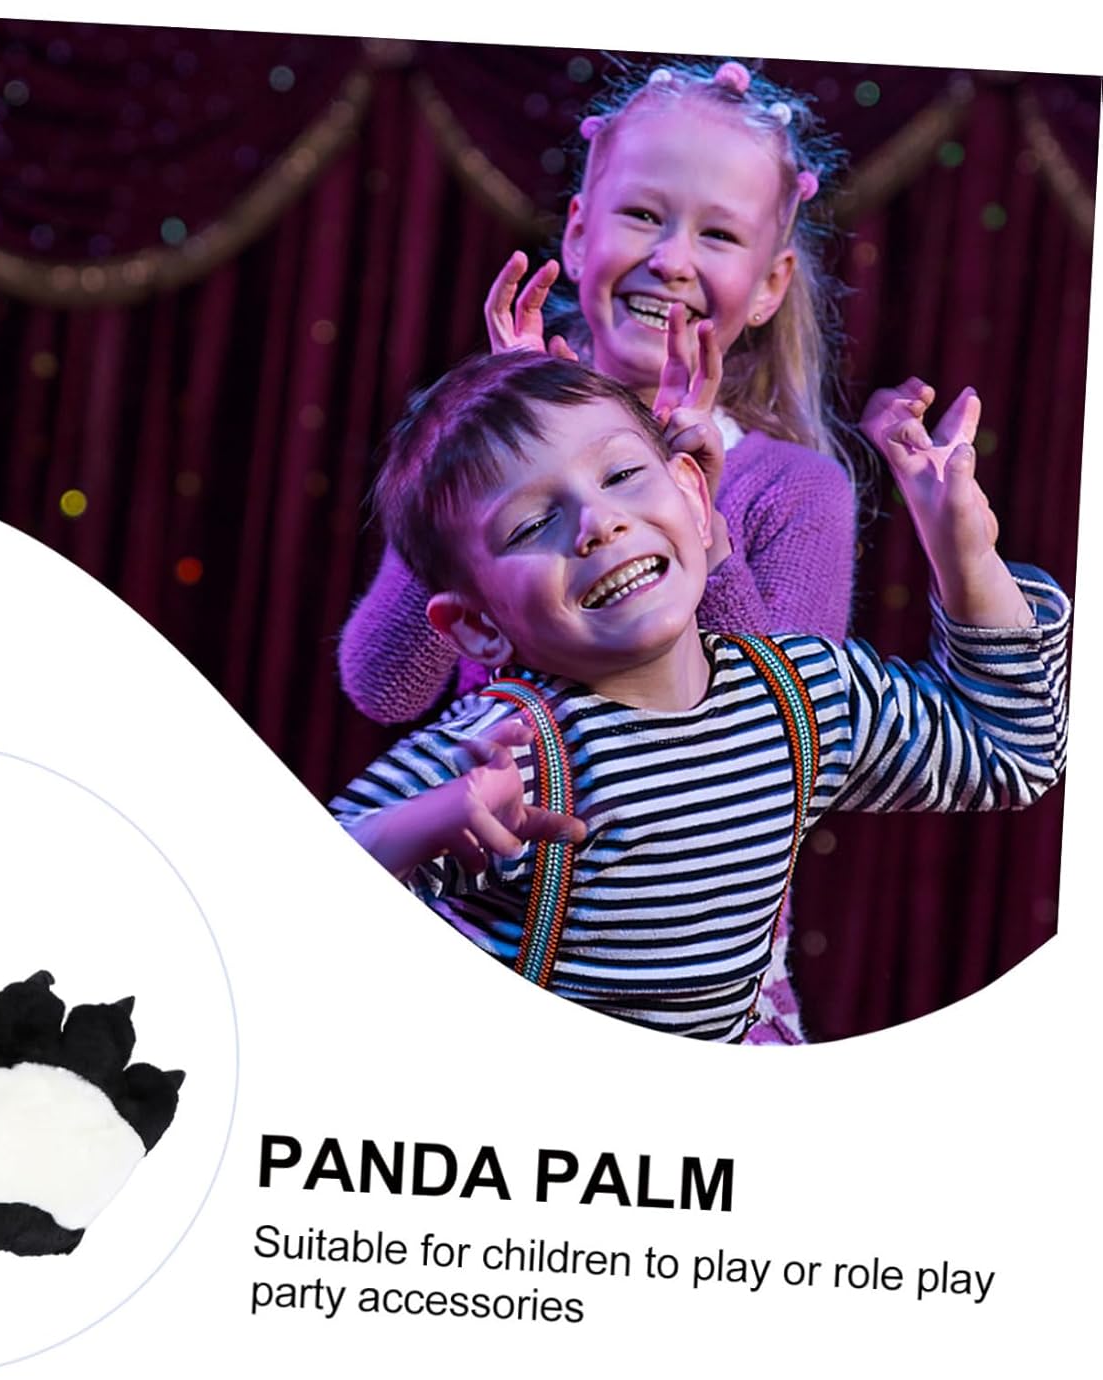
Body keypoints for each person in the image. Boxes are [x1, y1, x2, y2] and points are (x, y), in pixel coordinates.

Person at [339, 59, 860, 1041]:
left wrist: (701, 520)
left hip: (679, 997)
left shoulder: (792, 491)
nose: (671, 259)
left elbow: (781, 761)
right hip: (484, 949)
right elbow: (385, 684)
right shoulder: (483, 456)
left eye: (717, 234)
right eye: (643, 217)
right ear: (579, 235)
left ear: (768, 285)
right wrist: (484, 461)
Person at [330, 353, 1069, 1043]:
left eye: (622, 475)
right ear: (477, 627)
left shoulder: (801, 698)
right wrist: (414, 829)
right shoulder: (503, 758)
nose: (598, 524)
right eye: (531, 523)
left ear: (691, 491)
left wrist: (964, 555)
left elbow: (1011, 750)